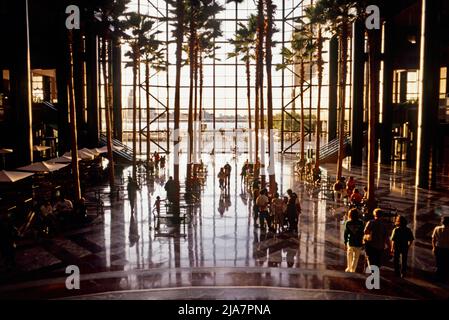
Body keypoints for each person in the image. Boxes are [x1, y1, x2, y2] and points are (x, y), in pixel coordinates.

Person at [344, 208, 365, 272]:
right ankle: (353, 269)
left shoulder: (348, 223)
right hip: (358, 242)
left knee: (349, 255)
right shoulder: (361, 222)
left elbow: (346, 233)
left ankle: (348, 267)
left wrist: (345, 242)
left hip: (350, 241)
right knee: (356, 257)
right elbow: (362, 233)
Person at [432, 216, 449, 282]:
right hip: (447, 249)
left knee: (439, 263)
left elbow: (433, 239)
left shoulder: (437, 228)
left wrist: (433, 247)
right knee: (446, 263)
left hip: (438, 248)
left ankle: (438, 277)